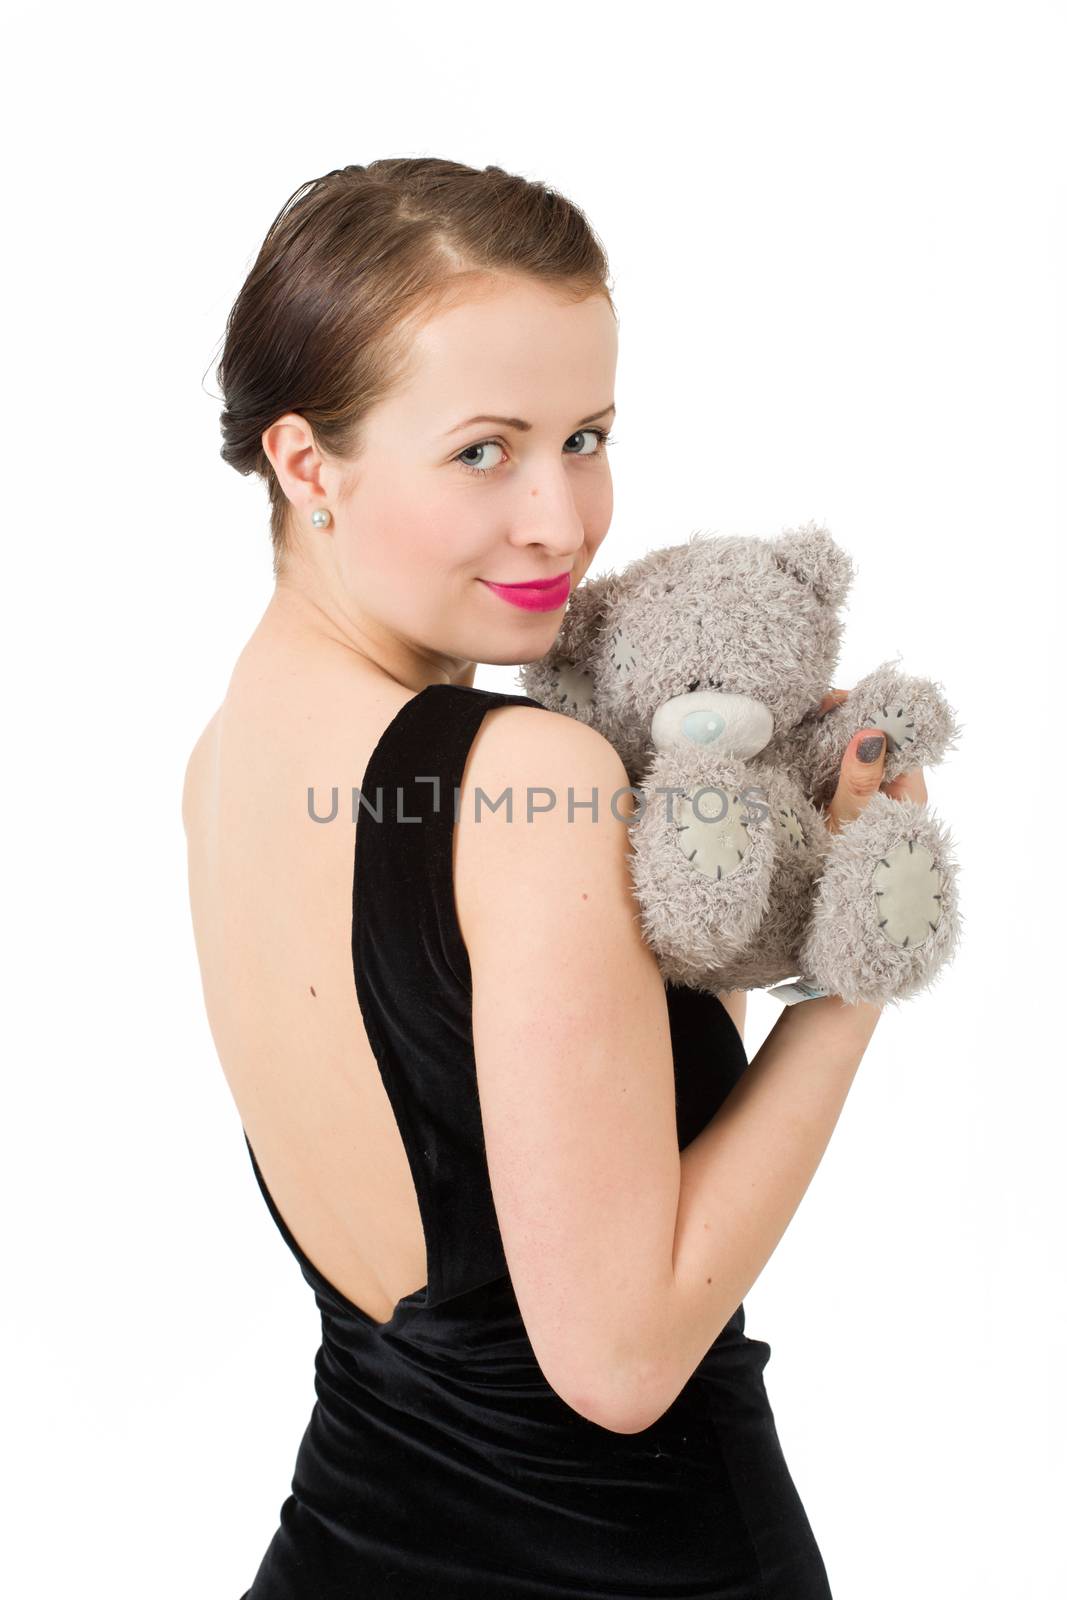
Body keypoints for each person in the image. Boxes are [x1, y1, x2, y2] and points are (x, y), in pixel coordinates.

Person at [183, 158, 927, 1597]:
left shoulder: (225, 760)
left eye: (586, 435)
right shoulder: (529, 782)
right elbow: (622, 1359)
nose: (562, 520)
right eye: (483, 450)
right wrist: (854, 958)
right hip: (631, 1563)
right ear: (304, 462)